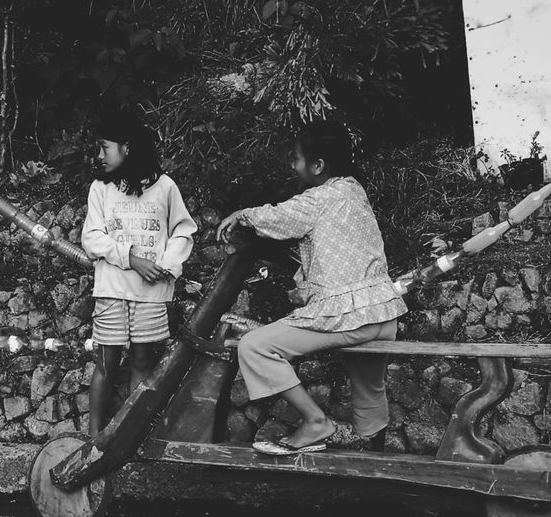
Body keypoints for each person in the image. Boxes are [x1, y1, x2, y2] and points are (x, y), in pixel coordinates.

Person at [216, 120, 406, 455]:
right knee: (369, 388)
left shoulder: (319, 198)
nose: (292, 164)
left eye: (296, 158)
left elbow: (279, 217)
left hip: (348, 315)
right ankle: (373, 457)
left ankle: (315, 421)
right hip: (384, 313)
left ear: (318, 166)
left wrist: (243, 214)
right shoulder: (353, 190)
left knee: (255, 347)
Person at [81, 110, 197, 435]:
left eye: (104, 147)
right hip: (112, 291)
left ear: (127, 148)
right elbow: (91, 239)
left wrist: (168, 265)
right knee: (105, 365)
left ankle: (127, 437)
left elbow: (184, 230)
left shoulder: (165, 187)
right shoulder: (100, 189)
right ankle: (94, 438)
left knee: (142, 365)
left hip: (150, 296)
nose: (99, 155)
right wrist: (133, 259)